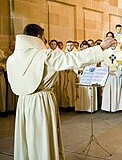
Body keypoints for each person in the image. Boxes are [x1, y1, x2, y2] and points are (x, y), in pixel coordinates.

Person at [6, 24, 114, 159]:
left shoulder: (12, 58)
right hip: (42, 101)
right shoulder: (44, 55)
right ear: (40, 37)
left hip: (23, 102)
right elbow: (73, 59)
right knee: (42, 138)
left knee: (28, 137)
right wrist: (100, 48)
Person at [101, 39, 122, 112]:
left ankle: (116, 107)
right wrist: (108, 71)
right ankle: (107, 107)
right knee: (108, 90)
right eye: (112, 43)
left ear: (117, 44)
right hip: (108, 75)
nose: (113, 45)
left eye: (115, 43)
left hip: (117, 75)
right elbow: (103, 64)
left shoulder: (121, 53)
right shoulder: (105, 53)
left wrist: (117, 71)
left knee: (117, 90)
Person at [0, 49, 7, 116]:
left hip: (0, 74)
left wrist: (2, 67)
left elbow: (4, 62)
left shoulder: (1, 52)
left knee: (2, 92)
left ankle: (2, 109)